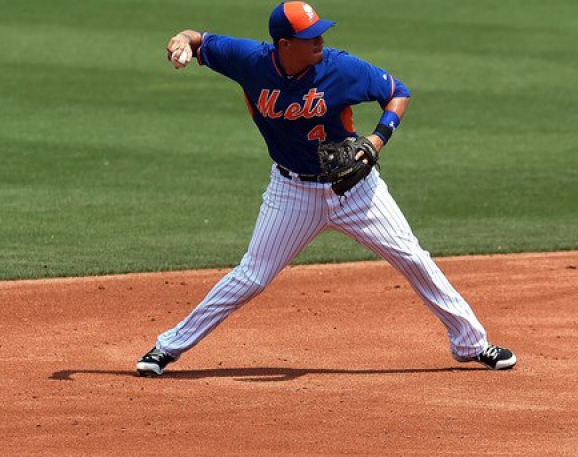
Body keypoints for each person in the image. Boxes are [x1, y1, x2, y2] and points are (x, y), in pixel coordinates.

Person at [136, 1, 516, 376]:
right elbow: (197, 39)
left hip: (355, 190)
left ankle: (471, 343)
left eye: (320, 32)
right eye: (309, 36)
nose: (319, 40)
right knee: (251, 277)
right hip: (292, 193)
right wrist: (180, 42)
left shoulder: (340, 67)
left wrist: (377, 139)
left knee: (412, 257)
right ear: (284, 44)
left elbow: (398, 91)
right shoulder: (249, 60)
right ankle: (167, 347)